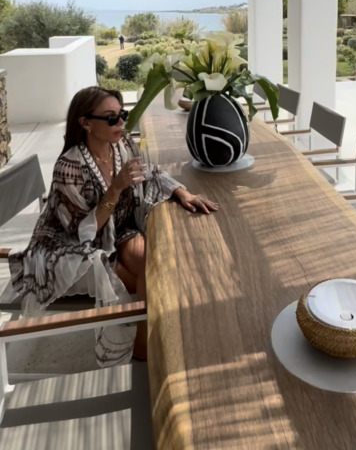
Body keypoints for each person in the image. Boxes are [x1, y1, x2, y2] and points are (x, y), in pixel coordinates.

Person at [7, 86, 218, 365]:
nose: (121, 123)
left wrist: (182, 193)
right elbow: (82, 232)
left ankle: (153, 343)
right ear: (85, 123)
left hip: (117, 231)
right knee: (154, 275)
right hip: (72, 248)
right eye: (111, 118)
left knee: (155, 263)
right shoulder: (69, 167)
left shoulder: (122, 144)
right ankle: (149, 349)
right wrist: (115, 188)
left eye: (122, 115)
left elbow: (149, 171)